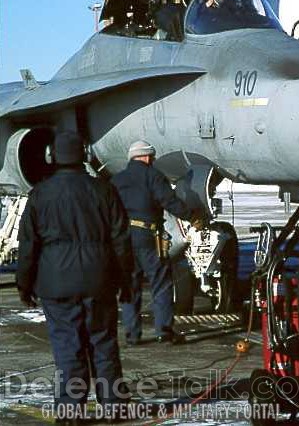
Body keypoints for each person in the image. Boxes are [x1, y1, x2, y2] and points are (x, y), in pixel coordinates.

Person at [17, 131, 133, 425]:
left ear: (51, 155)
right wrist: (125, 280)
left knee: (68, 346)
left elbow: (29, 246)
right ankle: (114, 407)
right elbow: (121, 239)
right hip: (99, 280)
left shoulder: (40, 194)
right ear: (83, 154)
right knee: (104, 343)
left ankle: (70, 411)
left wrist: (24, 284)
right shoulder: (103, 190)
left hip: (56, 284)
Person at [111, 140, 205, 345]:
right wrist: (192, 216)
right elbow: (169, 201)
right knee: (161, 283)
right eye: (151, 157)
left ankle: (132, 335)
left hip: (123, 238)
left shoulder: (117, 180)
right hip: (148, 236)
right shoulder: (153, 176)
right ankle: (164, 330)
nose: (152, 160)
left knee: (129, 285)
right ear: (145, 157)